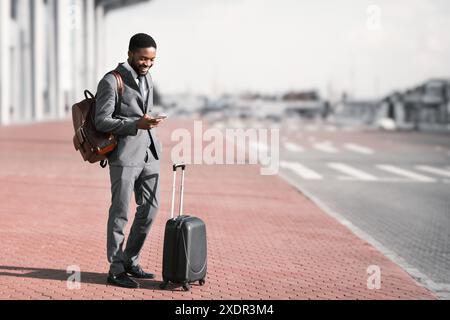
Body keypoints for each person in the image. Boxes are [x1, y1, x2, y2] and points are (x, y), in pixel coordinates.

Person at [95, 33, 164, 289]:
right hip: (124, 156)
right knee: (120, 213)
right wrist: (136, 124)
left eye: (152, 59)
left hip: (150, 153)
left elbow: (141, 111)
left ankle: (130, 259)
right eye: (144, 58)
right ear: (130, 54)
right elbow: (101, 120)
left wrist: (148, 122)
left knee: (151, 209)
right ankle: (115, 269)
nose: (148, 63)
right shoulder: (111, 81)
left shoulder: (148, 78)